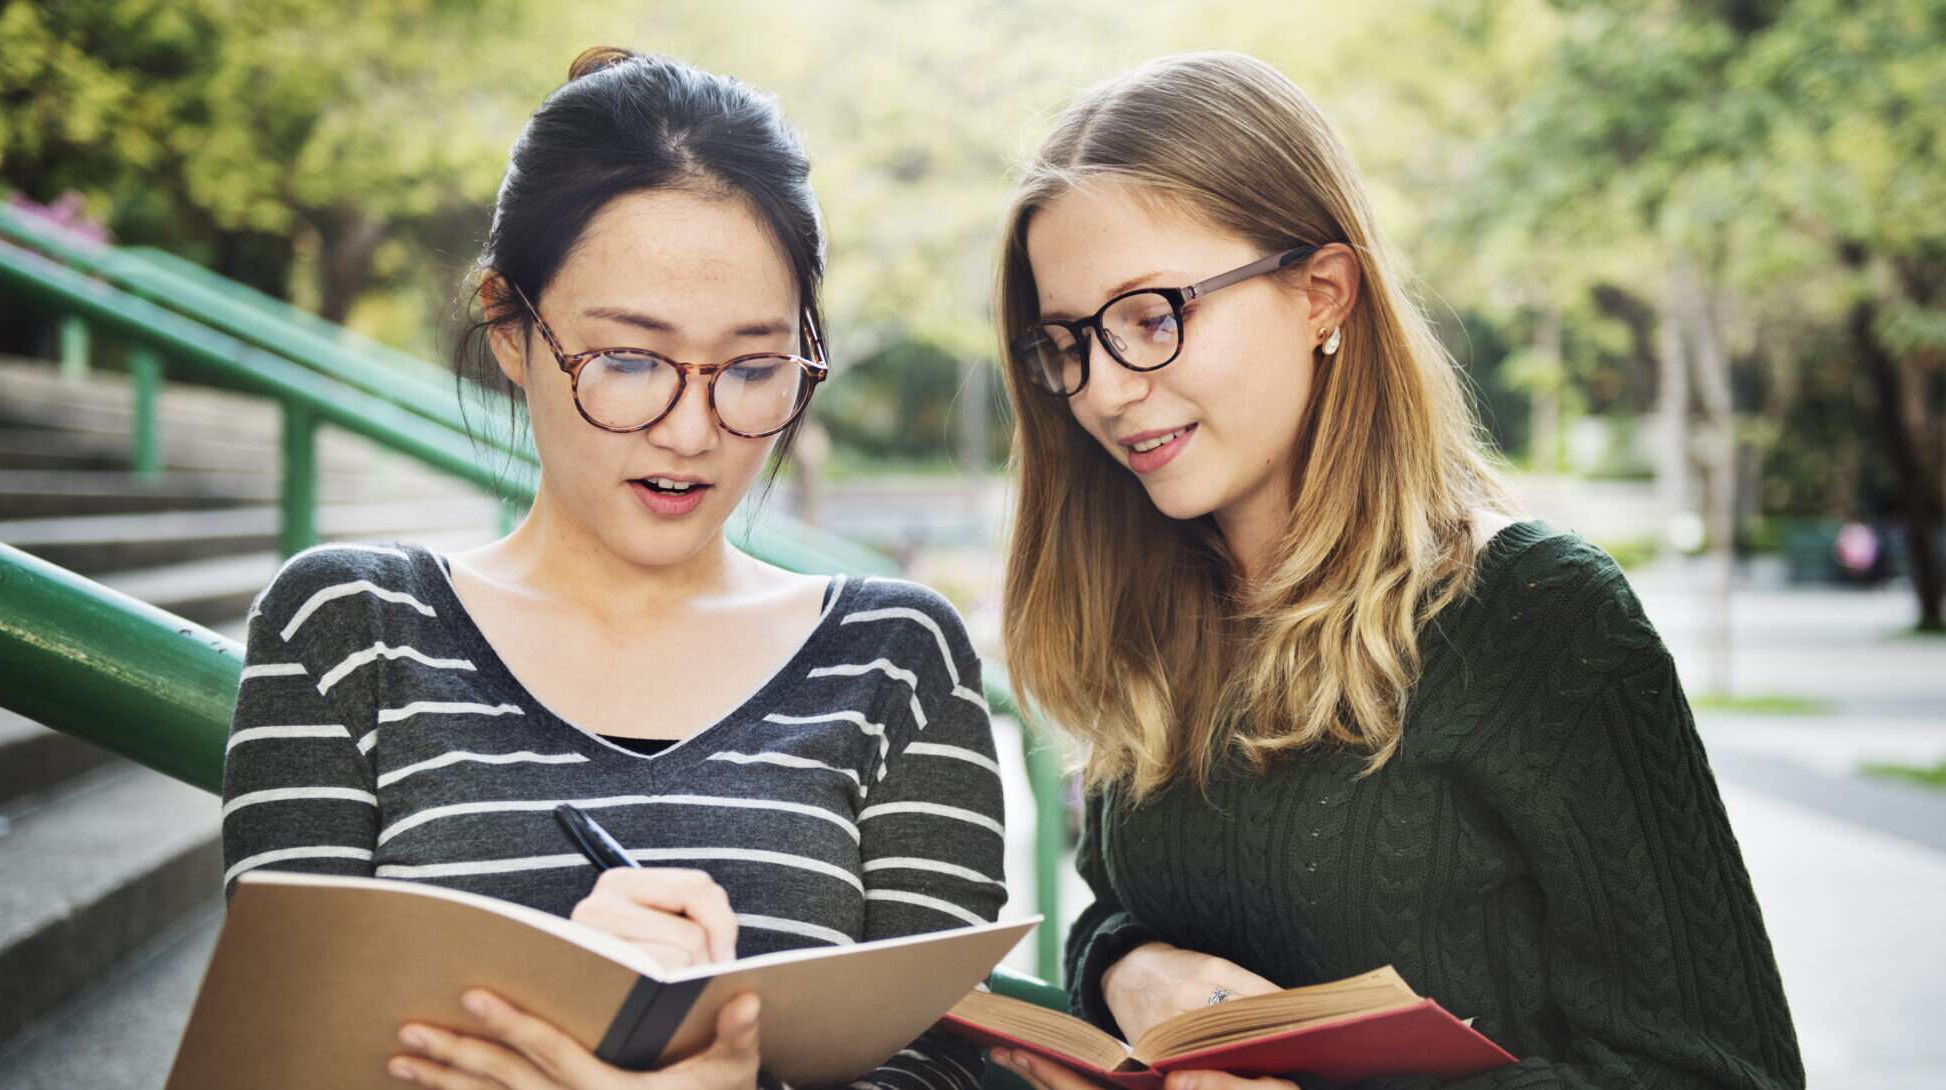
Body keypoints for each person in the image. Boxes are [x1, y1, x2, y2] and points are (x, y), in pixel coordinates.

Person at [983, 52, 1802, 1090]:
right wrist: (1127, 970)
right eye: (1067, 342)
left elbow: (1727, 1076)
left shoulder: (1539, 617)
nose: (1099, 390)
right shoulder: (1150, 618)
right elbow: (1137, 907)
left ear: (1321, 293)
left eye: (1149, 317)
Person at [221, 47, 1005, 1090]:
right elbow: (271, 1065)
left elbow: (952, 1066)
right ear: (509, 324)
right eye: (628, 361)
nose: (690, 430)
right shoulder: (347, 628)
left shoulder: (896, 659)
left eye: (752, 368)